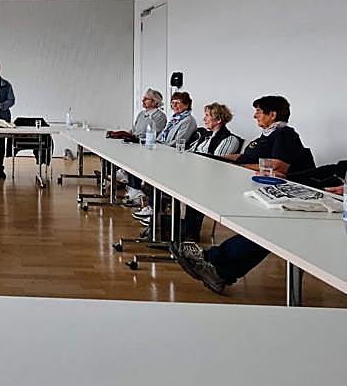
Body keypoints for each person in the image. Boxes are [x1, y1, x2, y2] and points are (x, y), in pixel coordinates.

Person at [173, 95, 313, 294]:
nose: (255, 115)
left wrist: (238, 166)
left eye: (259, 111)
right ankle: (214, 265)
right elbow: (245, 157)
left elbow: (277, 165)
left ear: (273, 115)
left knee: (265, 229)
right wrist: (218, 159)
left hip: (285, 196)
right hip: (259, 187)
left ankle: (212, 262)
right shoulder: (266, 136)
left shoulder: (284, 134)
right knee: (261, 229)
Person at [131, 92, 198, 226]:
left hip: (173, 160)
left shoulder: (188, 120)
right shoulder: (175, 118)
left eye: (178, 102)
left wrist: (158, 145)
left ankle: (155, 212)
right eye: (172, 103)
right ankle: (152, 208)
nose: (174, 105)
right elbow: (161, 136)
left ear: (187, 104)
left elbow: (179, 141)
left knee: (152, 179)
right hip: (163, 153)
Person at [178, 103, 243, 241]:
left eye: (207, 115)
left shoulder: (230, 140)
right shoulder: (204, 136)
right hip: (195, 174)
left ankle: (190, 233)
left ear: (218, 119)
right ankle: (175, 227)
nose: (204, 119)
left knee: (192, 188)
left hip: (212, 181)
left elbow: (215, 162)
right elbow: (190, 153)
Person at [118, 89, 167, 206]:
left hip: (147, 146)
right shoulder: (141, 114)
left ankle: (134, 188)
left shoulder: (159, 116)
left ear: (155, 102)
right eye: (143, 98)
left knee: (135, 158)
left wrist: (137, 138)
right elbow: (134, 130)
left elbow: (155, 133)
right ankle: (125, 178)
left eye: (146, 98)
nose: (143, 100)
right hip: (135, 143)